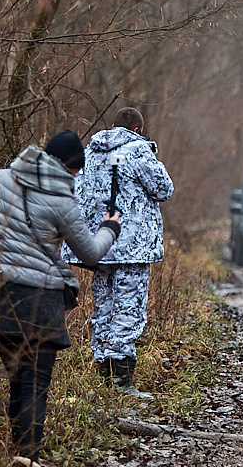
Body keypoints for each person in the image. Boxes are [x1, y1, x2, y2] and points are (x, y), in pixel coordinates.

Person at [0, 130, 120, 467]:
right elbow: (91, 253)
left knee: (17, 376)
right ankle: (26, 465)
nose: (76, 177)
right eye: (76, 170)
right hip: (42, 300)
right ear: (68, 165)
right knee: (35, 382)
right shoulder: (61, 199)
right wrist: (111, 227)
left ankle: (17, 459)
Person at [64, 107, 174, 398]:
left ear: (111, 125)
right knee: (128, 308)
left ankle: (102, 374)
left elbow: (76, 193)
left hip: (99, 244)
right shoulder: (138, 151)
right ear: (137, 129)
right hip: (132, 247)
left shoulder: (89, 152)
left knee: (104, 307)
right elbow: (164, 189)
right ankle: (122, 381)